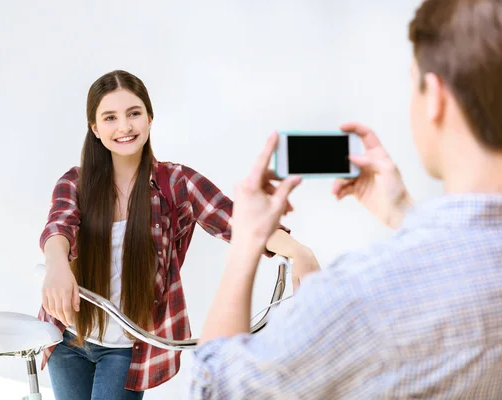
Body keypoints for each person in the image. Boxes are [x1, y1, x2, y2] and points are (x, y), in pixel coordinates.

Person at [188, 0, 502, 398]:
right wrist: (403, 214)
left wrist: (247, 243)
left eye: (413, 82)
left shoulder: (362, 294)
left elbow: (215, 388)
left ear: (435, 96)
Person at [36, 70, 314, 400]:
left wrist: (299, 251)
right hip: (70, 338)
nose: (124, 127)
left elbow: (238, 220)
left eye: (134, 114)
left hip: (126, 347)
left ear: (150, 118)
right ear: (95, 129)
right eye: (110, 118)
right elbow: (58, 227)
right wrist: (56, 265)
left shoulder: (175, 182)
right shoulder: (76, 182)